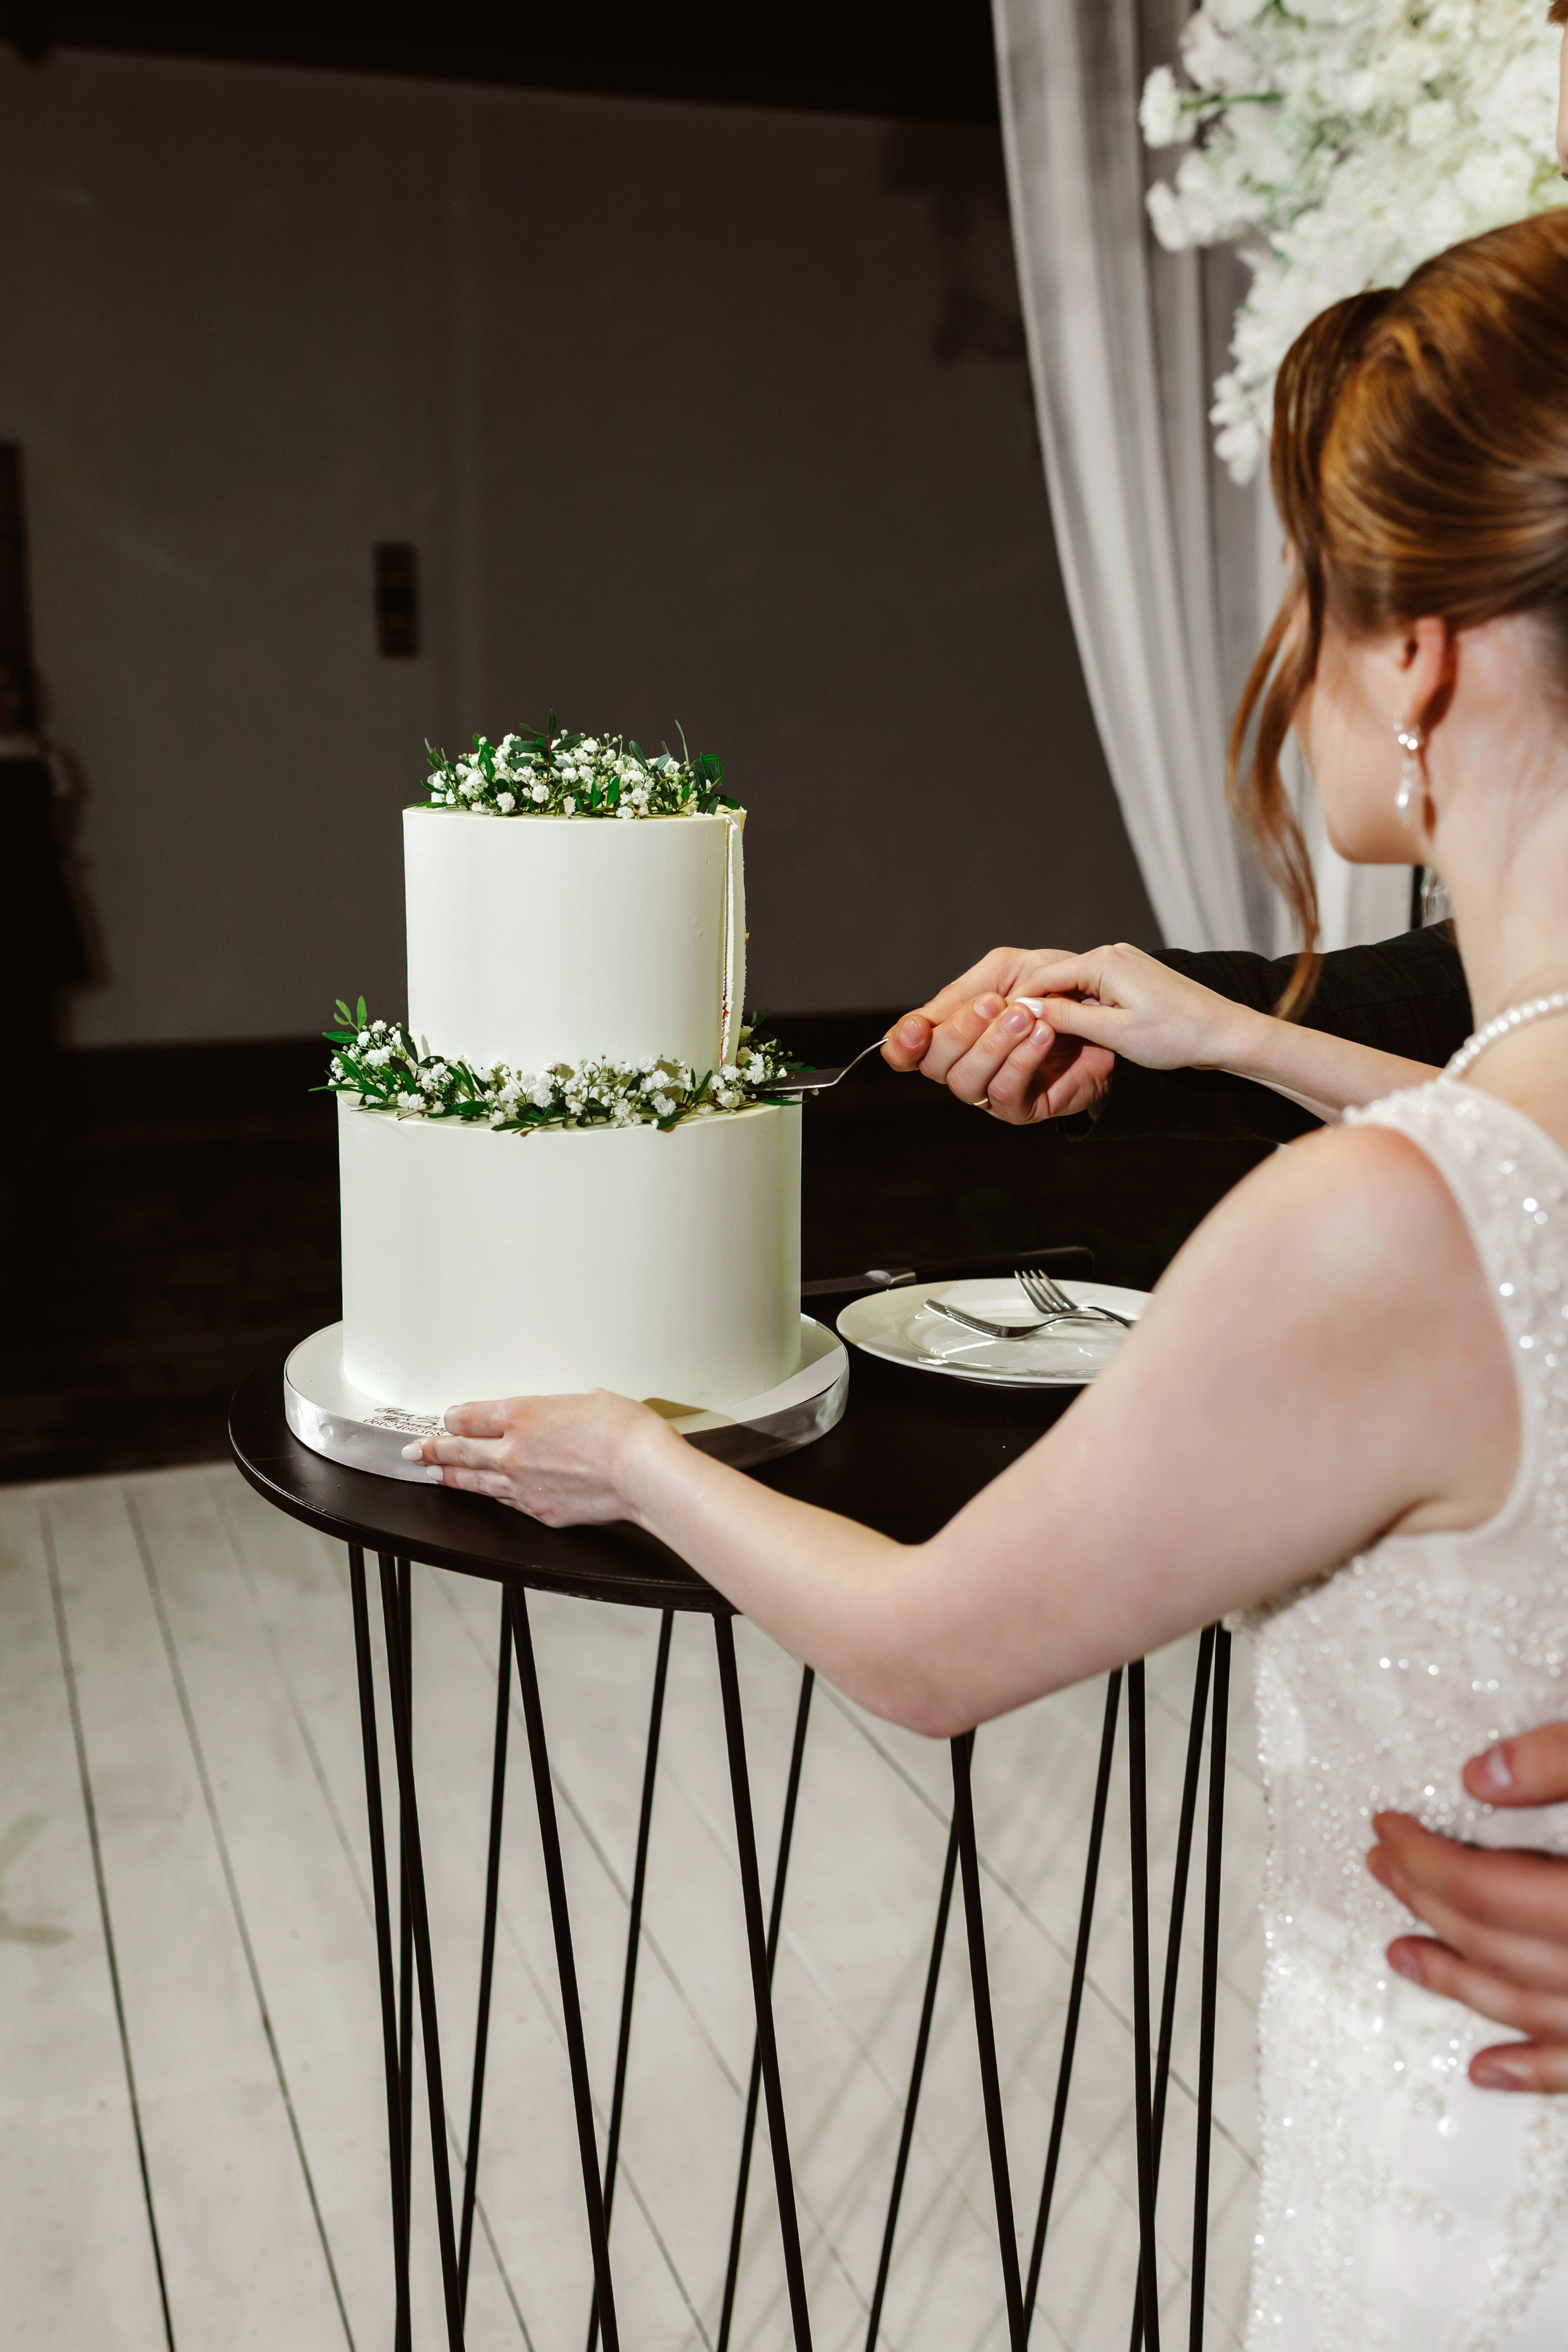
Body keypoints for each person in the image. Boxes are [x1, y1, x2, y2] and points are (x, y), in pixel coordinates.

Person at [410, 219, 1568, 2338]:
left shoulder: (1378, 1227)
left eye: (1310, 590)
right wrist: (1233, 1036)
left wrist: (634, 1455)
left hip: (1470, 2174)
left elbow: (934, 1648)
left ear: (1417, 654)